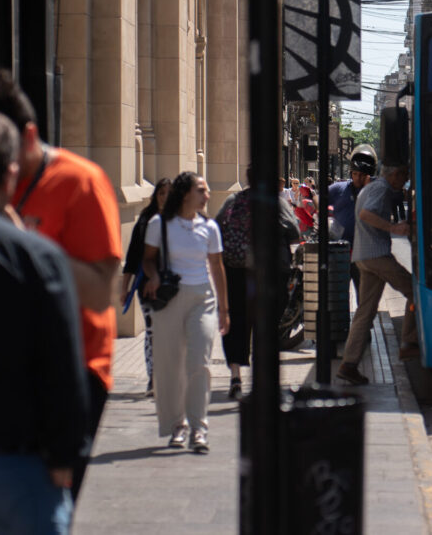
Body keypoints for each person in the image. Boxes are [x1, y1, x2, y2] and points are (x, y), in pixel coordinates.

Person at [0, 70, 122, 500]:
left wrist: (19, 244)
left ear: (27, 137)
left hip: (70, 372)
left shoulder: (79, 181)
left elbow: (102, 295)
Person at [0, 109, 89, 534]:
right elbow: (62, 365)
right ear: (10, 176)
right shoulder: (36, 257)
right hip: (16, 467)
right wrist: (64, 456)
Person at [142, 172, 230, 453]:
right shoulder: (160, 224)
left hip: (202, 298)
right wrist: (153, 276)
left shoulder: (210, 228)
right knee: (169, 367)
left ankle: (199, 429)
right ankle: (177, 425)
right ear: (185, 194)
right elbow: (147, 260)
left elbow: (217, 267)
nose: (207, 195)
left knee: (199, 363)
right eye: (201, 190)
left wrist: (224, 309)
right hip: (169, 300)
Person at [215, 166, 300, 400]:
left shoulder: (234, 199)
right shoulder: (276, 202)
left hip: (236, 272)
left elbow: (217, 227)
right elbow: (294, 232)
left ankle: (235, 377)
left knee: (237, 327)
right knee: (266, 326)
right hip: (269, 274)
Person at [337, 162, 419, 386]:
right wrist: (392, 228)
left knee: (365, 312)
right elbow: (365, 214)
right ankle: (409, 343)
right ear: (395, 174)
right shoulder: (381, 189)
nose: (404, 182)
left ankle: (349, 364)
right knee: (415, 291)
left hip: (363, 256)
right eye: (404, 176)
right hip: (377, 255)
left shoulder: (370, 188)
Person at [120, 177, 172, 397]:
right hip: (146, 285)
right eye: (161, 193)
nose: (165, 197)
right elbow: (132, 256)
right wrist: (124, 287)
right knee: (152, 332)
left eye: (169, 193)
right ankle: (153, 378)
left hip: (173, 286)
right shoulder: (145, 220)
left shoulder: (178, 220)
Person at [326, 144, 377, 295]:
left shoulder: (376, 191)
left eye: (362, 175)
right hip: (341, 251)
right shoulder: (339, 188)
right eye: (355, 174)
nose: (358, 178)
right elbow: (319, 198)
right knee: (338, 293)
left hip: (364, 254)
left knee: (364, 295)